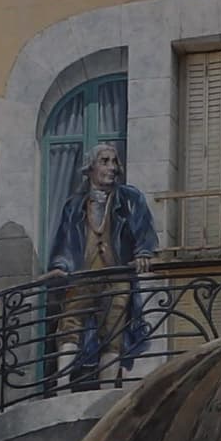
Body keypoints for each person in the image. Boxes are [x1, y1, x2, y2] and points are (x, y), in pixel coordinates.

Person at [42, 140, 156, 387]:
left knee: (113, 329)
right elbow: (64, 241)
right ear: (90, 168)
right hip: (82, 276)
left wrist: (143, 252)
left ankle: (105, 389)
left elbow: (143, 229)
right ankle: (62, 385)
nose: (112, 167)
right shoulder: (74, 206)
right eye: (105, 161)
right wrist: (60, 265)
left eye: (114, 161)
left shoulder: (129, 198)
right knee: (70, 323)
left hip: (117, 277)